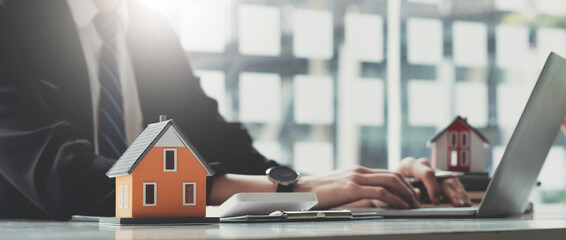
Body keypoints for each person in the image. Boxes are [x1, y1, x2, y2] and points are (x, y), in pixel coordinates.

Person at [0, 0, 470, 220]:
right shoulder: (11, 19)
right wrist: (301, 191)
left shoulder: (150, 31)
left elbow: (230, 153)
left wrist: (354, 185)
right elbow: (64, 177)